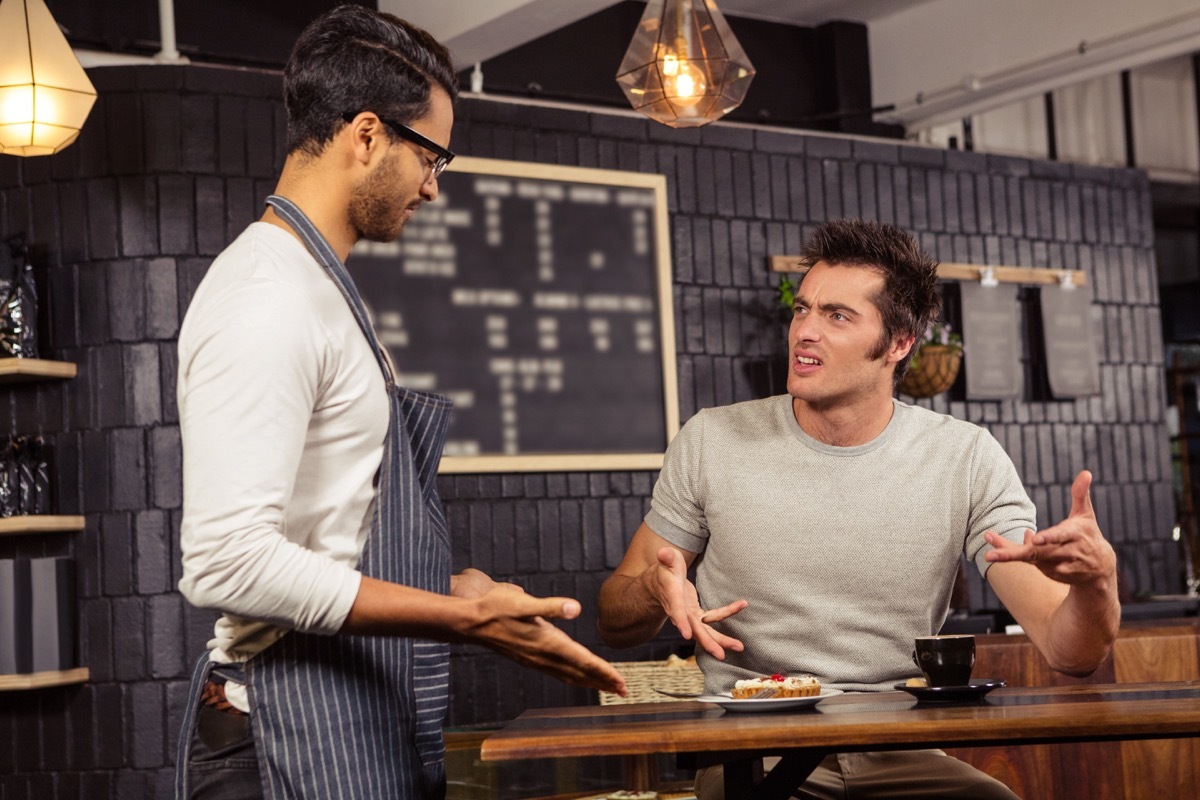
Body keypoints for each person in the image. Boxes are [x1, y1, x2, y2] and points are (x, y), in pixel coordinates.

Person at [174, 6, 625, 799]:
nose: (434, 188)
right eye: (432, 157)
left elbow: (326, 537)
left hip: (348, 714)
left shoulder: (320, 292)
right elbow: (227, 560)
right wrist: (461, 623)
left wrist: (459, 593)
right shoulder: (266, 296)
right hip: (282, 734)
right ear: (369, 135)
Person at [597, 219, 1119, 799]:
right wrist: (653, 589)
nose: (805, 331)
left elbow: (1069, 652)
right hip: (756, 752)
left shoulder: (965, 456)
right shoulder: (713, 440)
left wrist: (1097, 585)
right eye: (802, 310)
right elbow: (614, 620)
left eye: (837, 316)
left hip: (900, 748)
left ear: (898, 344)